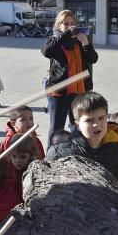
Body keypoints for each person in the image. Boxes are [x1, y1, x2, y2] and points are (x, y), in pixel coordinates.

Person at [45, 92, 118, 181]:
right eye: (89, 120)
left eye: (101, 118)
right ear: (78, 125)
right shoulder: (58, 153)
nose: (96, 124)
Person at [42, 10, 98, 141]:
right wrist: (65, 35)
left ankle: (76, 152)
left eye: (72, 23)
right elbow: (46, 51)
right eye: (66, 24)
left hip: (78, 92)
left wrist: (86, 43)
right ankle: (52, 155)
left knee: (78, 126)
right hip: (59, 91)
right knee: (57, 128)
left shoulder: (79, 41)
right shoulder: (55, 40)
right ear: (59, 25)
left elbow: (93, 59)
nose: (70, 26)